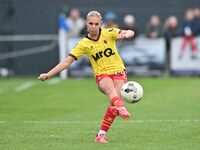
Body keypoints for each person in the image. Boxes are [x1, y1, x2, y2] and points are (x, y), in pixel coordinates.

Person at [38, 10, 134, 143]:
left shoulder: (108, 32)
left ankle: (101, 135)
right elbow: (67, 61)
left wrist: (127, 34)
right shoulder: (83, 43)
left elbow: (128, 32)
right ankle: (121, 107)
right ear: (86, 24)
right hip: (102, 74)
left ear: (100, 24)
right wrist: (48, 74)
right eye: (91, 23)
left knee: (114, 101)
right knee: (111, 92)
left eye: (96, 23)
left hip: (119, 72)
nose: (93, 26)